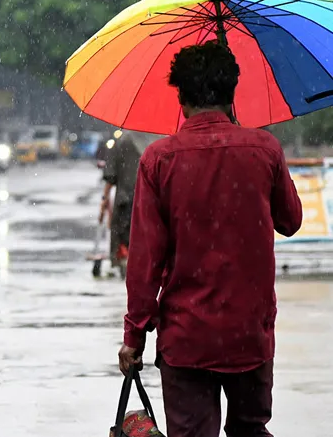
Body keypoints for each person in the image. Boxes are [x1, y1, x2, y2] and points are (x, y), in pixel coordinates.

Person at [117, 41, 302, 437]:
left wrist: (134, 336)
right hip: (249, 334)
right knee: (251, 430)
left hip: (187, 340)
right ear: (232, 92)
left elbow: (145, 261)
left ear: (180, 96)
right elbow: (291, 221)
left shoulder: (158, 159)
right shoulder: (264, 149)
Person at [101, 130, 158, 278]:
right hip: (154, 202)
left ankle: (126, 264)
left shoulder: (123, 140)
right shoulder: (162, 139)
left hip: (126, 198)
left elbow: (110, 174)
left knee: (125, 237)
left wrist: (104, 198)